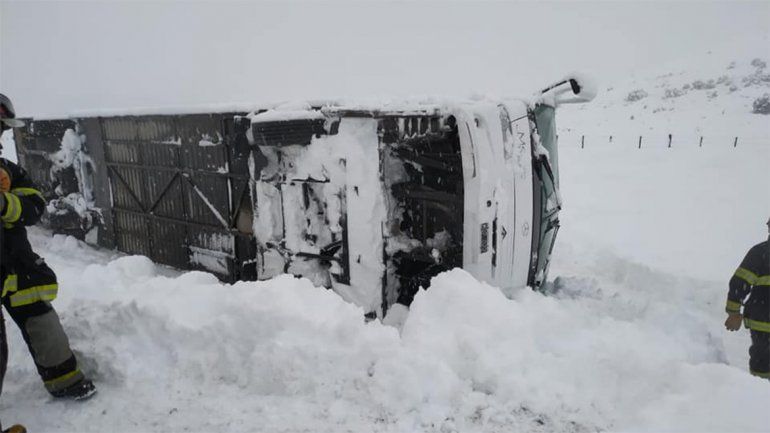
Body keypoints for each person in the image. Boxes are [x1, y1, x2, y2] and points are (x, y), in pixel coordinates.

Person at [0, 93, 95, 400]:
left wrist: (4, 203)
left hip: (17, 264)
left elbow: (34, 207)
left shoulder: (8, 170)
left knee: (43, 321)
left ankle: (65, 382)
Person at [724, 217, 770, 379]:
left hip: (763, 323)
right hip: (763, 323)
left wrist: (733, 312)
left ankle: (760, 397)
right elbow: (739, 282)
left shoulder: (761, 253)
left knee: (762, 366)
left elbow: (739, 283)